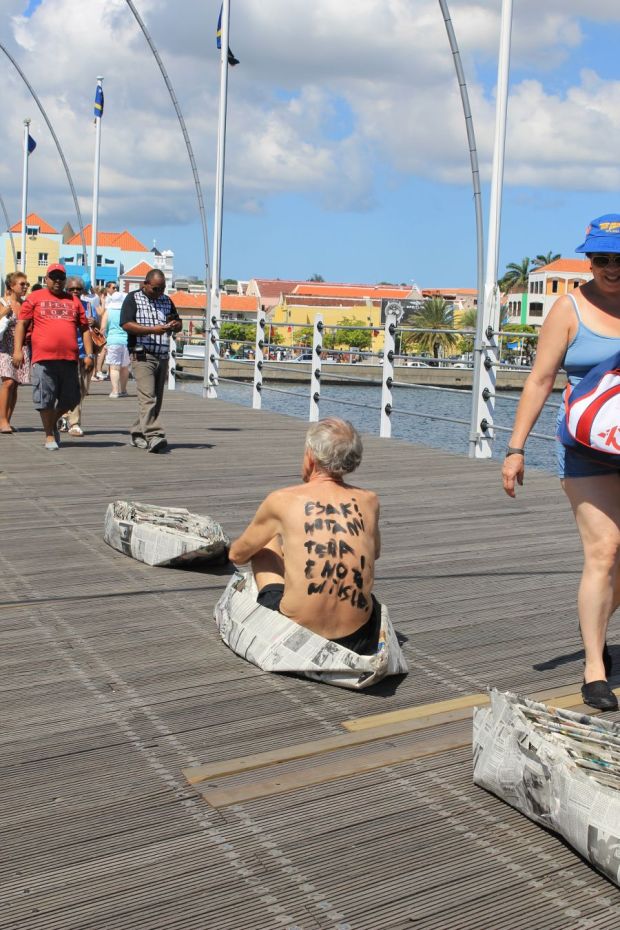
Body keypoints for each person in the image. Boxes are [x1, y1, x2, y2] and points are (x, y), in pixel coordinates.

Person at [502, 214, 620, 712]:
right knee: (605, 551)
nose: (611, 268)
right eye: (601, 259)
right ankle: (595, 666)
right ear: (589, 260)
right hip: (586, 448)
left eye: (619, 259)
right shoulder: (568, 308)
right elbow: (538, 380)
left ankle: (593, 619)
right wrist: (515, 448)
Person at [228, 417, 382, 653]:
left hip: (293, 632)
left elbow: (237, 555)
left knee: (265, 545)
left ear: (311, 455)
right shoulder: (370, 501)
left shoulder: (282, 500)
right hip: (358, 638)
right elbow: (376, 553)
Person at [12, 264, 94, 450]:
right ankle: (49, 434)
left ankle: (53, 421)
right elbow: (21, 325)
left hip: (70, 358)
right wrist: (18, 351)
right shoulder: (35, 297)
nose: (57, 281)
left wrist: (89, 354)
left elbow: (84, 329)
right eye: (53, 277)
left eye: (60, 277)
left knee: (72, 398)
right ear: (46, 279)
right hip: (43, 358)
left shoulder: (73, 301)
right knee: (45, 398)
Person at [120, 269, 181, 453]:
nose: (159, 292)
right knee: (147, 397)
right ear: (145, 284)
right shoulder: (133, 299)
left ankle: (138, 432)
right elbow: (126, 324)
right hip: (142, 354)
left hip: (162, 355)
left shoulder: (166, 300)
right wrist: (152, 330)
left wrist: (175, 325)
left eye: (162, 288)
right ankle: (155, 436)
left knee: (156, 400)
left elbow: (177, 322)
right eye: (155, 288)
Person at [59, 277, 100, 437]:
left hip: (85, 351)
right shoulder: (62, 306)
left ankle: (68, 417)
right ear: (66, 290)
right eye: (71, 289)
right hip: (66, 352)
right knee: (69, 388)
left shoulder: (87, 306)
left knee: (82, 389)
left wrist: (93, 321)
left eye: (78, 289)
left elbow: (97, 325)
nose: (75, 291)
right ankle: (72, 421)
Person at [0, 271, 31, 433]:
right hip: (5, 347)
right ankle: (2, 420)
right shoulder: (2, 302)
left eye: (27, 284)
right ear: (11, 286)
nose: (25, 287)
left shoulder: (26, 304)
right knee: (8, 382)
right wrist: (4, 313)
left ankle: (8, 420)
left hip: (22, 347)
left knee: (16, 385)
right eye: (22, 284)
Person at [99, 283, 130, 398]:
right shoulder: (126, 312)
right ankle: (124, 390)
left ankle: (115, 391)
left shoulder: (108, 311)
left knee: (114, 367)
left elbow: (102, 329)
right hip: (125, 341)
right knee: (125, 367)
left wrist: (104, 341)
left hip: (112, 341)